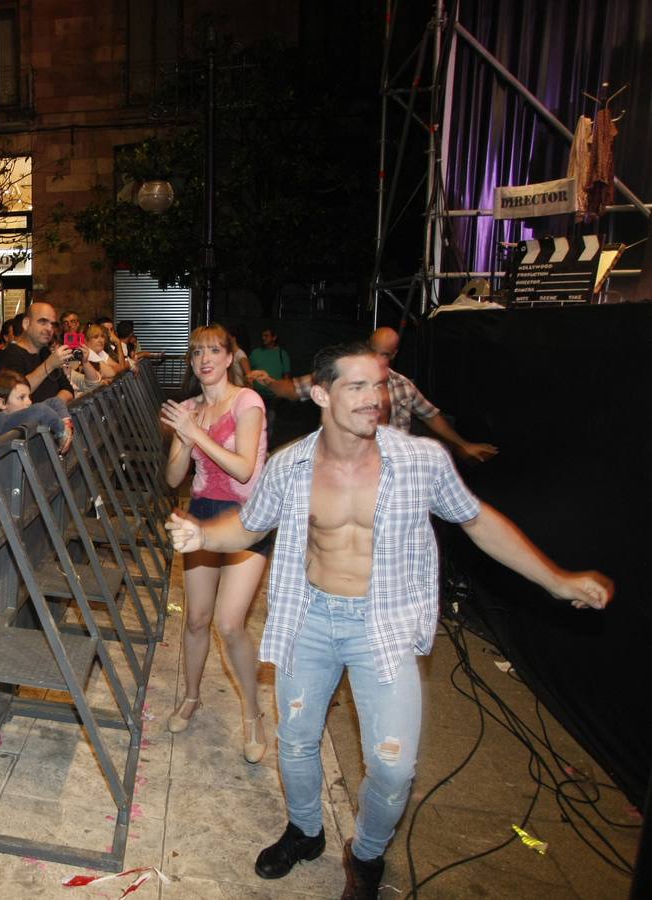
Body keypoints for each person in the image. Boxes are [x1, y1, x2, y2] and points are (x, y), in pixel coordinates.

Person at [165, 341, 613, 899]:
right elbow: (250, 525)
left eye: (378, 385)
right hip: (311, 619)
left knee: (394, 768)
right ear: (323, 394)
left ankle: (368, 853)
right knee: (296, 741)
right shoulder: (290, 465)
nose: (374, 398)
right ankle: (305, 831)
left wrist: (557, 579)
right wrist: (203, 534)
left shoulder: (419, 460)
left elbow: (479, 522)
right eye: (357, 386)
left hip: (384, 625)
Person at [158, 324, 270, 762]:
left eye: (213, 350)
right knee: (196, 618)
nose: (204, 358)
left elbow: (244, 469)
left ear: (229, 356)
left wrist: (196, 432)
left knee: (229, 622)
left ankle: (253, 713)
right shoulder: (188, 409)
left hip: (248, 518)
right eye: (196, 352)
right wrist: (185, 439)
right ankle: (190, 696)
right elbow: (171, 479)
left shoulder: (248, 402)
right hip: (202, 514)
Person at [252, 327, 499, 464]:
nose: (380, 359)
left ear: (394, 355)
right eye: (376, 352)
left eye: (386, 354)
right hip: (346, 464)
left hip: (390, 466)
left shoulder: (402, 386)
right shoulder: (341, 374)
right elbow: (294, 389)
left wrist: (462, 443)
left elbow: (431, 416)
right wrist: (271, 383)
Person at [0, 301, 85, 403]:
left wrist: (52, 408)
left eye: (52, 324)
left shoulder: (46, 353)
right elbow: (15, 394)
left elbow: (68, 390)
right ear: (26, 323)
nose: (49, 328)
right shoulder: (8, 355)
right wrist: (49, 364)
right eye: (43, 322)